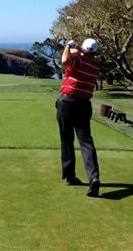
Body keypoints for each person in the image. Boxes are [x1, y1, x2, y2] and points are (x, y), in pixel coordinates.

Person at [55, 38, 101, 197]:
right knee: (86, 141)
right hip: (84, 105)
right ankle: (94, 177)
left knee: (67, 140)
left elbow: (64, 60)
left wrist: (68, 45)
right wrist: (78, 50)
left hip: (68, 103)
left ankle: (70, 176)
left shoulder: (79, 61)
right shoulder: (95, 67)